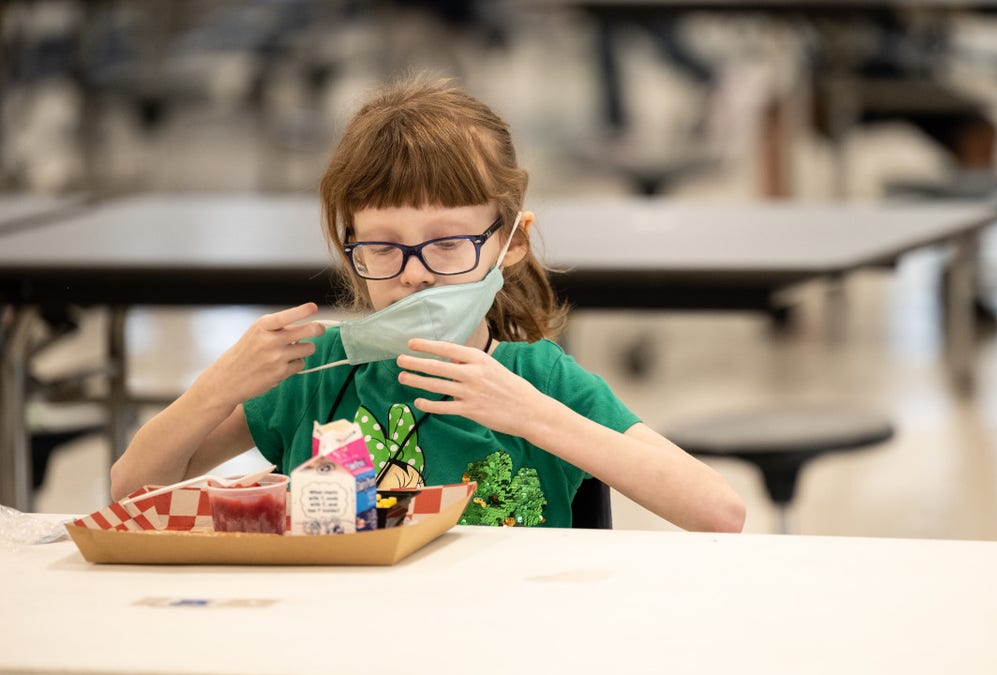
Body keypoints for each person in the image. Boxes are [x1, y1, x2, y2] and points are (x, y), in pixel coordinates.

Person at [110, 76, 745, 533]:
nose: (415, 276)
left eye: (447, 244)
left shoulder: (540, 379)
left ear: (510, 243)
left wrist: (531, 416)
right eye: (383, 247)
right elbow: (130, 490)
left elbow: (719, 512)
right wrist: (216, 387)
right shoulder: (317, 372)